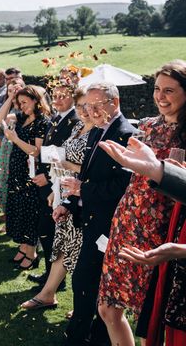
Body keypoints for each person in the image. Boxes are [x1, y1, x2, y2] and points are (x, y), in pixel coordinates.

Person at [98, 60, 186, 346]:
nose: (160, 96)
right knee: (108, 307)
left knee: (153, 317)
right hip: (127, 219)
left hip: (161, 228)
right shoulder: (146, 126)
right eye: (157, 89)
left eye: (169, 91)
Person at [55, 82, 135, 346]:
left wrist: (82, 190)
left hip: (109, 224)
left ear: (116, 102)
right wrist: (67, 203)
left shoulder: (128, 135)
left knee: (93, 286)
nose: (92, 111)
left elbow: (121, 186)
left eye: (98, 105)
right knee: (86, 284)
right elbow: (82, 176)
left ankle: (86, 338)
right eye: (88, 106)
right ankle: (85, 336)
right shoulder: (95, 132)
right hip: (88, 221)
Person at [21, 86, 92, 310]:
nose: (83, 110)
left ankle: (85, 305)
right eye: (81, 106)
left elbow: (91, 168)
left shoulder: (97, 131)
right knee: (61, 243)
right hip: (65, 192)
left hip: (84, 197)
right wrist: (55, 189)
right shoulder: (79, 127)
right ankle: (48, 293)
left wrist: (67, 166)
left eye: (87, 106)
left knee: (81, 253)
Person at [29, 84, 80, 285]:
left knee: (51, 231)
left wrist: (49, 180)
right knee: (47, 231)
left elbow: (67, 157)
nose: (57, 100)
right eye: (55, 96)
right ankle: (50, 275)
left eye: (62, 96)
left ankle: (56, 280)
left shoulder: (74, 120)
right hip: (49, 181)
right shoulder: (57, 118)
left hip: (60, 185)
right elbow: (50, 151)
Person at [0, 85, 51, 270]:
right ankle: (23, 248)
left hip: (30, 175)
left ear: (36, 101)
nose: (21, 106)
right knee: (19, 211)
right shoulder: (22, 118)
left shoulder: (42, 122)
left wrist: (15, 139)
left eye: (25, 102)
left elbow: (36, 151)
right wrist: (11, 96)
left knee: (29, 213)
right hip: (17, 173)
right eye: (19, 103)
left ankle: (31, 254)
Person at [0, 77, 25, 212]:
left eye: (15, 90)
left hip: (19, 147)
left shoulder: (24, 109)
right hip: (6, 148)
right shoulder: (9, 107)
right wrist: (10, 98)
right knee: (5, 180)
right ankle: (6, 215)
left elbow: (2, 119)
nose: (13, 93)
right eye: (10, 90)